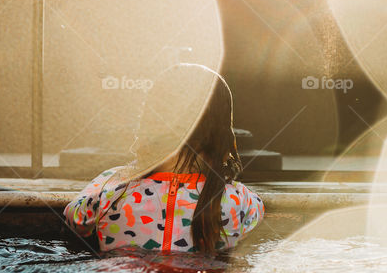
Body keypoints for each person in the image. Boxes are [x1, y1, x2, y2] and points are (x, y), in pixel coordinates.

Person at [64, 64, 264, 254]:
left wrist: (118, 174)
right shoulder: (239, 200)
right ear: (222, 136)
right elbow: (255, 217)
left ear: (149, 125)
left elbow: (75, 220)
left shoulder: (112, 189)